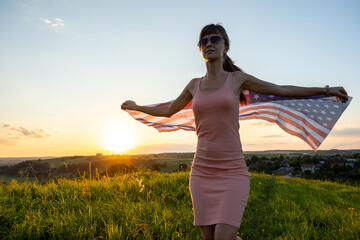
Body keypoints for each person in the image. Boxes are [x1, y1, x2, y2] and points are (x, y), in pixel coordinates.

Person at [121, 24, 348, 240]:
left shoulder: (237, 79)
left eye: (215, 38)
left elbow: (281, 90)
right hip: (201, 171)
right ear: (199, 48)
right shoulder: (193, 85)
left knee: (223, 237)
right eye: (204, 40)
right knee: (210, 238)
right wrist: (137, 106)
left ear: (225, 46)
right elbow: (169, 111)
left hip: (232, 171)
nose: (209, 43)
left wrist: (325, 89)